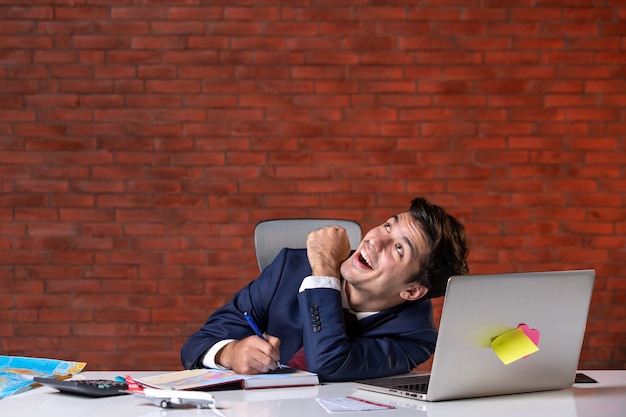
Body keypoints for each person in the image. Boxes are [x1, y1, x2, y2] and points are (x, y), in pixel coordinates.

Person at [180, 197, 469, 382]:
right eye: (387, 226)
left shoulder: (414, 336)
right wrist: (229, 353)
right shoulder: (288, 269)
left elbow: (329, 362)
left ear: (412, 291)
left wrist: (324, 271)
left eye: (398, 248)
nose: (374, 241)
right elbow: (196, 344)